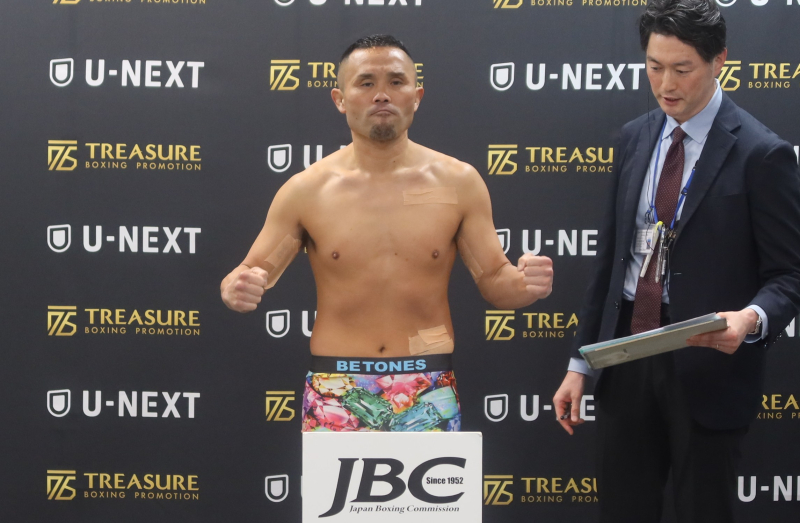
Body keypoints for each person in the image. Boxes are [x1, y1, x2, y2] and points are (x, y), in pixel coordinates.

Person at [221, 35, 553, 433]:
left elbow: (496, 282)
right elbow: (252, 272)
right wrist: (236, 288)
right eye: (366, 83)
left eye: (396, 82)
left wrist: (525, 285)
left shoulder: (459, 183)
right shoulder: (306, 191)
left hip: (428, 385)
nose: (382, 94)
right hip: (336, 387)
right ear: (340, 99)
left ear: (417, 96)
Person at [552, 1, 800, 521]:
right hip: (627, 355)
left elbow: (789, 275)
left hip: (708, 364)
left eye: (682, 69)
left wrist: (750, 319)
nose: (666, 84)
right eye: (654, 66)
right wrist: (580, 364)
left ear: (719, 60)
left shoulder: (762, 153)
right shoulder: (634, 137)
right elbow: (609, 262)